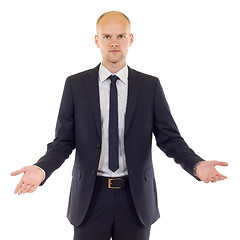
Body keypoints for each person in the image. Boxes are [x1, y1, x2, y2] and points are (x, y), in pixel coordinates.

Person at [11, 11, 228, 240]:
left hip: (135, 201)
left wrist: (196, 165)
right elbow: (64, 141)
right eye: (106, 37)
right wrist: (42, 168)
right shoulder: (76, 85)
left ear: (130, 39)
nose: (114, 42)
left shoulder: (149, 86)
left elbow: (169, 139)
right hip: (89, 199)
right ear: (97, 40)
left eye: (121, 36)